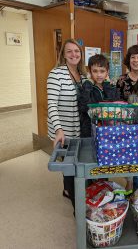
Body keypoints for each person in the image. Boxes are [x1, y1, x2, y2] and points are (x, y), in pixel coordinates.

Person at [47, 38, 86, 209]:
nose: (73, 54)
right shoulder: (56, 74)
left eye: (76, 51)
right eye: (69, 51)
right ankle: (75, 205)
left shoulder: (83, 75)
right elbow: (52, 105)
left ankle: (66, 190)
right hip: (63, 129)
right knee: (69, 166)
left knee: (73, 162)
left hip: (78, 129)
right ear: (63, 54)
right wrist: (58, 130)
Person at [79, 54, 120, 137]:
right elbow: (84, 107)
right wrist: (88, 84)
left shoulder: (112, 87)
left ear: (107, 72)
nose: (99, 75)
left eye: (102, 71)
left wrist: (107, 86)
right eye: (95, 71)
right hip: (89, 130)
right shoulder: (87, 87)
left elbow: (113, 106)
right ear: (90, 72)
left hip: (109, 130)